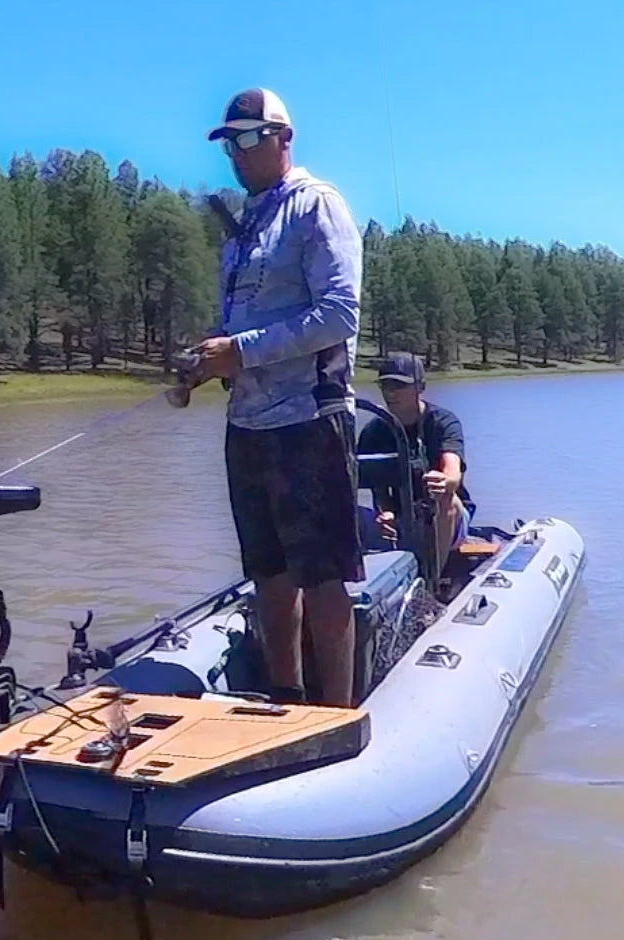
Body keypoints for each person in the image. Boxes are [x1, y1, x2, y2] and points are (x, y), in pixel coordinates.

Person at [184, 87, 365, 708]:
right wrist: (206, 364)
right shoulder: (243, 226)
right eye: (229, 142)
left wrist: (242, 351)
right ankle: (282, 695)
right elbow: (236, 327)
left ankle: (336, 711)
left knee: (322, 574)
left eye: (250, 138)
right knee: (267, 570)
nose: (237, 152)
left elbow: (339, 314)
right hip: (248, 423)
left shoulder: (318, 208)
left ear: (284, 139)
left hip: (309, 418)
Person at [357, 353, 473, 570]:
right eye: (386, 385)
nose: (390, 392)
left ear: (421, 387)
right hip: (401, 519)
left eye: (399, 385)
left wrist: (444, 481)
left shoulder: (442, 422)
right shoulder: (373, 432)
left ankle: (433, 580)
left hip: (449, 518)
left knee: (446, 497)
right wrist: (386, 513)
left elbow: (453, 472)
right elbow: (378, 489)